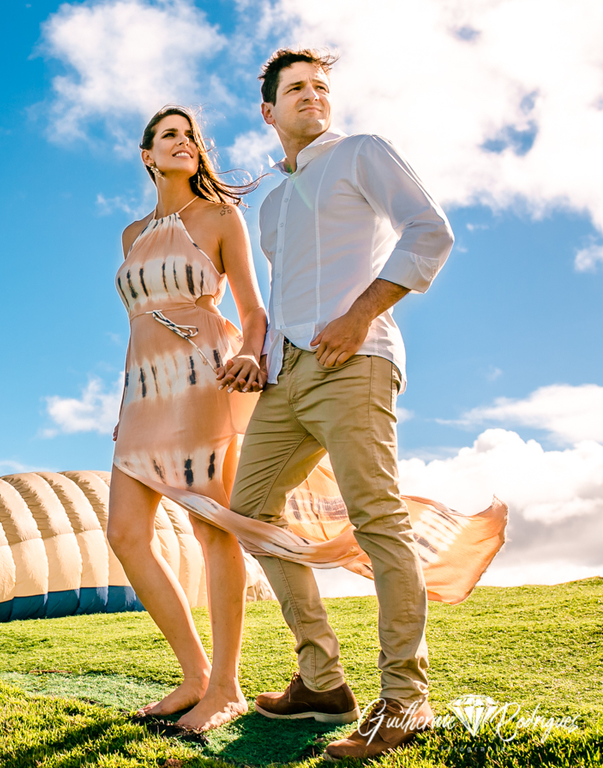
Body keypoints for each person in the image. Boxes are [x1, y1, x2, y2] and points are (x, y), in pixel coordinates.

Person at [228, 48, 452, 760]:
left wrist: (360, 314)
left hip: (357, 361)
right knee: (250, 511)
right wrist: (261, 364)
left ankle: (405, 701)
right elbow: (284, 296)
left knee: (377, 521)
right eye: (295, 89)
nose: (311, 96)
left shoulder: (361, 152)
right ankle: (322, 680)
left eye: (320, 86)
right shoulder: (267, 209)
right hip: (287, 376)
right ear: (269, 111)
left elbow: (429, 231)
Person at [108, 105, 268, 732]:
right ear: (147, 155)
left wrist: (252, 355)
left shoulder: (222, 217)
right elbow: (135, 327)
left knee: (212, 529)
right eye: (170, 135)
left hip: (206, 375)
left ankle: (226, 688)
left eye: (191, 136)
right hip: (144, 390)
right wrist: (126, 405)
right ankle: (194, 675)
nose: (185, 142)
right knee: (125, 533)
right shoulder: (129, 235)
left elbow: (253, 309)